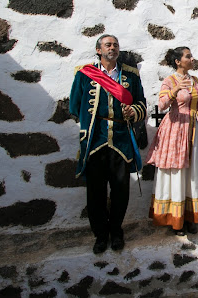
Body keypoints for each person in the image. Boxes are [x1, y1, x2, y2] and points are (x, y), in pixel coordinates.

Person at [69, 34, 146, 253]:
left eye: (115, 45)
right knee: (95, 192)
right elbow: (74, 106)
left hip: (121, 140)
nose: (112, 48)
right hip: (95, 140)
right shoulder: (85, 74)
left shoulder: (130, 75)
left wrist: (134, 111)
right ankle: (101, 235)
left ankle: (116, 231)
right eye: (108, 45)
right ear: (98, 50)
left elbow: (141, 102)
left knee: (121, 191)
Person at [146, 47, 198, 235]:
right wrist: (175, 89)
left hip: (195, 129)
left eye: (191, 55)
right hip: (176, 129)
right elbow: (161, 106)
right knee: (177, 172)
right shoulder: (169, 81)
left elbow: (194, 103)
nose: (192, 58)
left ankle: (190, 216)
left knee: (193, 172)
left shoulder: (195, 80)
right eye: (188, 56)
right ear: (178, 61)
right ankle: (175, 219)